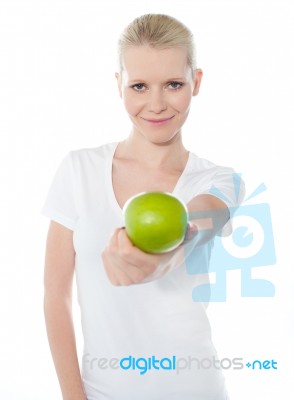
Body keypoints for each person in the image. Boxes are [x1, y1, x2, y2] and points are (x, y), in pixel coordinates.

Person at [42, 13, 243, 400]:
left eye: (173, 84)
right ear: (118, 85)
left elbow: (199, 222)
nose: (156, 104)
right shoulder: (78, 170)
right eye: (138, 85)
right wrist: (73, 396)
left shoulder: (221, 181)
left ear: (195, 82)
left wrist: (161, 260)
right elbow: (55, 293)